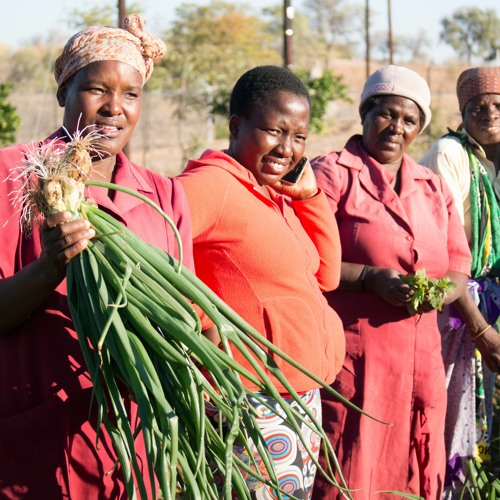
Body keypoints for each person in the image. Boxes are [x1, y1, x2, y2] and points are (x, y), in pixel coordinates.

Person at [0, 15, 211, 498]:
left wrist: (199, 345)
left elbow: (188, 309)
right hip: (38, 443)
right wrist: (50, 266)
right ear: (63, 93)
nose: (114, 109)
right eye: (96, 90)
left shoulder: (163, 194)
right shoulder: (14, 176)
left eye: (131, 94)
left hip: (136, 444)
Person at [177, 65, 345, 499]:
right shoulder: (212, 185)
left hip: (296, 395)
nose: (287, 148)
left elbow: (326, 275)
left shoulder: (269, 191)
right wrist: (202, 324)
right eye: (274, 131)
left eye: (300, 137)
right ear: (237, 126)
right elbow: (156, 249)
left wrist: (309, 197)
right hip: (251, 397)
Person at [311, 65, 472, 499]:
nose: (396, 127)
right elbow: (306, 258)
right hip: (358, 357)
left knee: (416, 471)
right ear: (366, 112)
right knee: (350, 465)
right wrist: (368, 278)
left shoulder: (432, 186)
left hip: (422, 360)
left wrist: (441, 291)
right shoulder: (331, 175)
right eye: (386, 114)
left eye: (410, 120)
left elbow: (458, 265)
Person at [420, 65, 500, 497]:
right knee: (456, 419)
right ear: (462, 113)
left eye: (498, 105)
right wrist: (482, 329)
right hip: (457, 303)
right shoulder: (451, 154)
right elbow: (439, 249)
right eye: (478, 106)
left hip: (493, 299)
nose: (489, 113)